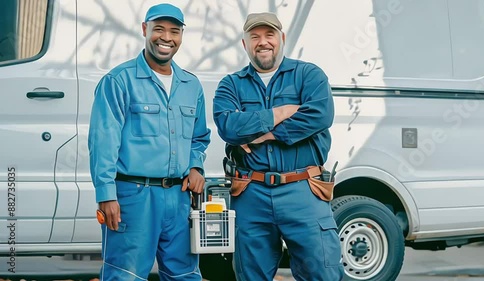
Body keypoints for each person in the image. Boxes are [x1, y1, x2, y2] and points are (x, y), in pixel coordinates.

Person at [213, 12, 344, 281]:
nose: (263, 42)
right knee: (251, 276)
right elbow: (228, 127)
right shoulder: (231, 85)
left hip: (304, 191)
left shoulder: (308, 75)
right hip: (252, 194)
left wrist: (263, 135)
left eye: (269, 34)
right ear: (245, 44)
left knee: (322, 273)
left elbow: (319, 115)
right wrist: (281, 111)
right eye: (255, 37)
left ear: (282, 39)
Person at [88, 3, 210, 280]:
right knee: (124, 275)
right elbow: (103, 142)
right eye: (159, 29)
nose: (166, 37)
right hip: (133, 196)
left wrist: (195, 166)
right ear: (145, 30)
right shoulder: (119, 81)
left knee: (186, 275)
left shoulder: (191, 86)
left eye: (174, 31)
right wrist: (106, 194)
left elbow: (199, 137)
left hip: (179, 198)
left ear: (181, 36)